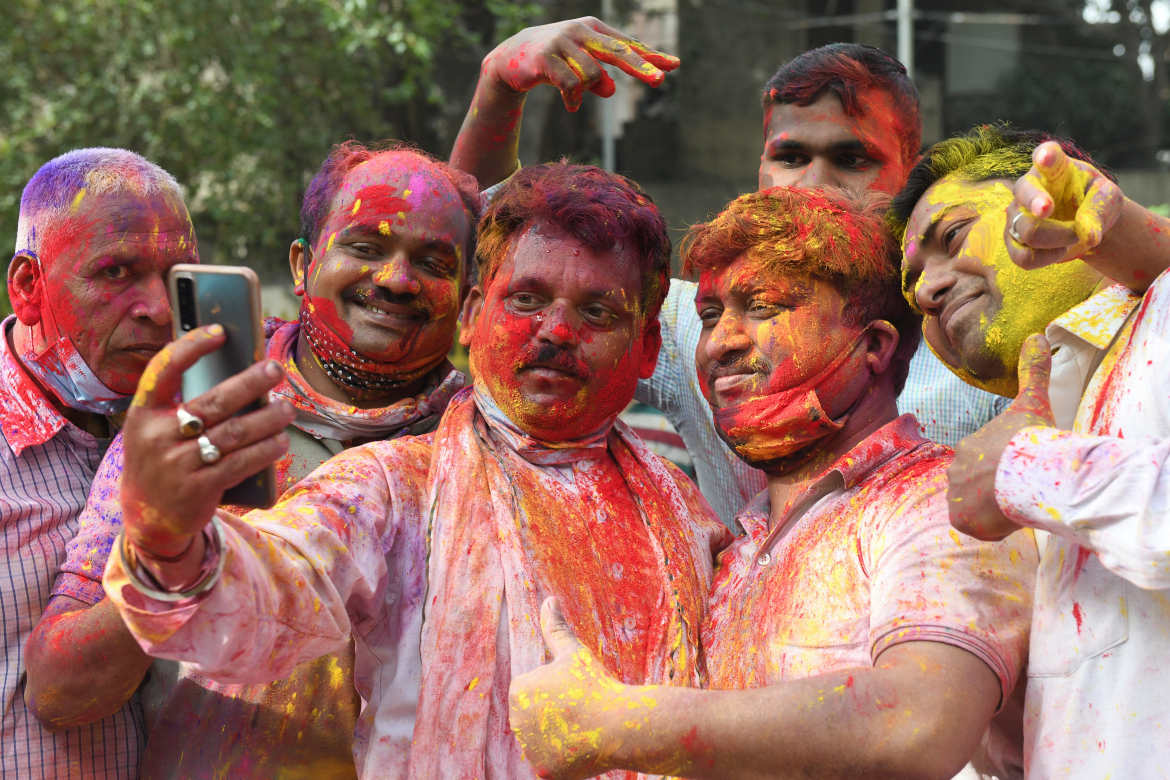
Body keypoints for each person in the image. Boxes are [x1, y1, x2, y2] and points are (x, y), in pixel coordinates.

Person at [101, 162, 731, 779]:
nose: (557, 331)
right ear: (473, 314)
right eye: (528, 299)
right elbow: (257, 601)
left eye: (597, 313)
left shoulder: (688, 514)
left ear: (647, 346)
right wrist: (168, 539)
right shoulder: (395, 486)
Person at [507, 186, 1036, 779]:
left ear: (875, 347)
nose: (721, 343)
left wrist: (620, 725)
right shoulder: (738, 546)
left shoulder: (937, 500)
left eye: (763, 307)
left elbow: (919, 723)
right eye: (710, 316)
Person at [24, 142, 480, 778]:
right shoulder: (197, 408)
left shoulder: (486, 445)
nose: (397, 280)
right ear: (303, 262)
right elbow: (59, 691)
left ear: (468, 298)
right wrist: (164, 550)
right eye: (366, 247)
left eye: (432, 261)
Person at [450, 21, 1006, 525]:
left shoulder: (974, 329)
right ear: (761, 168)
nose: (814, 184)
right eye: (790, 158)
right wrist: (498, 87)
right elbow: (489, 251)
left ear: (909, 177)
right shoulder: (704, 325)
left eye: (853, 159)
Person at [892, 124, 1170, 777]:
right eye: (912, 290)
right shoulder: (1023, 437)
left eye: (953, 237)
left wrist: (1030, 469)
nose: (928, 290)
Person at [1, 148, 196, 777]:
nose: (159, 310)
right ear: (29, 288)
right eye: (116, 272)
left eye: (177, 278)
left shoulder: (194, 416)